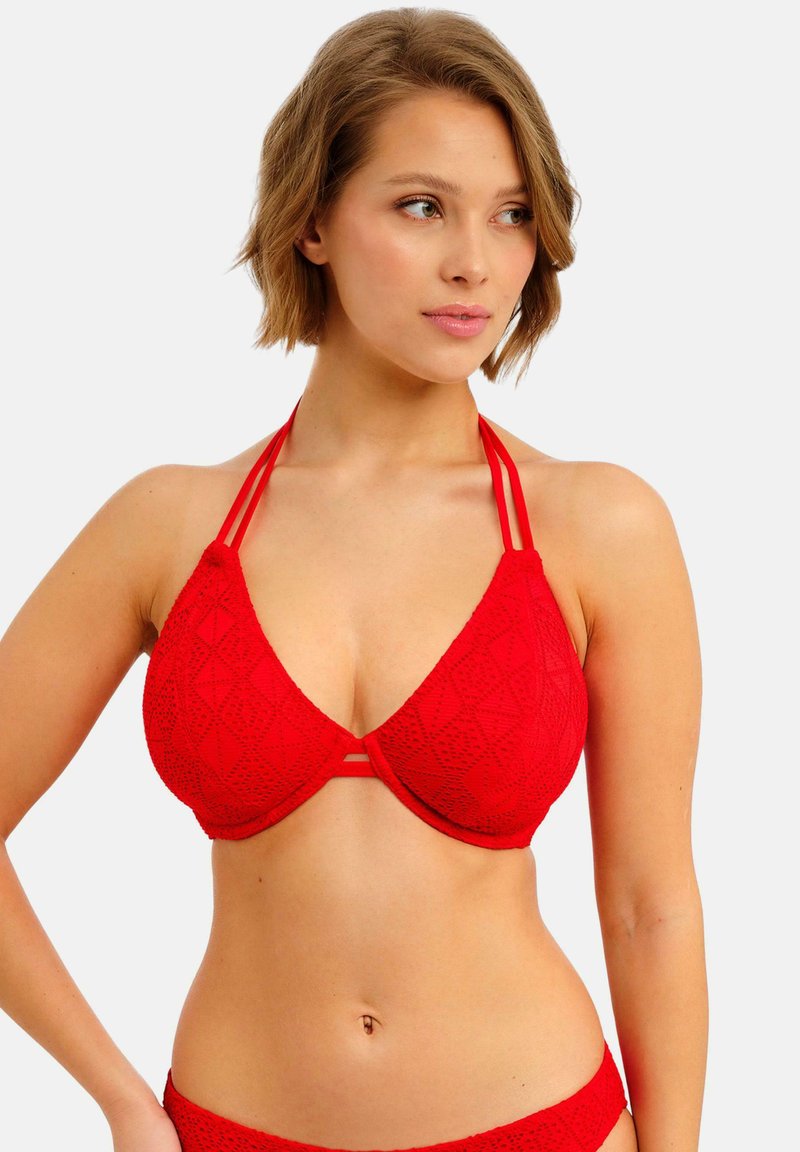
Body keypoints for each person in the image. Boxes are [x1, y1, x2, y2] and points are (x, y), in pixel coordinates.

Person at [0, 8, 707, 1152]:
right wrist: (120, 1100)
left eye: (511, 214)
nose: (474, 261)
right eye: (421, 206)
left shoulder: (596, 526)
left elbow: (648, 904)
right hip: (227, 1131)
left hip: (539, 1127)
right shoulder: (168, 527)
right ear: (313, 219)